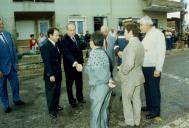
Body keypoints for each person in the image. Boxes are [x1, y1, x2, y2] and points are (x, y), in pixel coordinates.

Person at [115, 23, 145, 127]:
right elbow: (137, 59)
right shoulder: (139, 43)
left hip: (130, 78)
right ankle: (137, 121)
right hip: (138, 76)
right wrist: (125, 54)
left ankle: (129, 121)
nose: (124, 34)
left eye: (125, 32)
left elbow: (130, 63)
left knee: (126, 100)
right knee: (136, 99)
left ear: (131, 32)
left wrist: (123, 72)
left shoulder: (131, 45)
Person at [85, 31, 114, 128]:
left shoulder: (94, 53)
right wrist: (109, 79)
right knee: (104, 111)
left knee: (96, 114)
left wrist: (82, 68)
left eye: (90, 40)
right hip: (106, 86)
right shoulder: (103, 52)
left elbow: (95, 72)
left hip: (99, 87)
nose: (89, 42)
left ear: (93, 42)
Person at [139, 16, 166, 119]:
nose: (140, 27)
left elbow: (161, 52)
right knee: (147, 88)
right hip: (145, 66)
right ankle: (149, 106)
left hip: (153, 67)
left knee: (154, 89)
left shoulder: (158, 34)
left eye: (141, 25)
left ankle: (155, 110)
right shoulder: (147, 34)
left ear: (147, 24)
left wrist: (158, 69)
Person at [0, 18, 25, 113]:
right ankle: (6, 105)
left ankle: (16, 99)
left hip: (12, 66)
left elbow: (13, 50)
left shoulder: (7, 34)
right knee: (2, 88)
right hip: (1, 69)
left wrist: (16, 63)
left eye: (2, 23)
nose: (1, 25)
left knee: (15, 84)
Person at [60, 23, 85, 108]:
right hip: (70, 67)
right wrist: (75, 63)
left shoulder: (77, 37)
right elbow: (67, 53)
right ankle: (72, 101)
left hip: (79, 66)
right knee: (69, 85)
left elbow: (79, 50)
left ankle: (80, 98)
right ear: (67, 30)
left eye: (74, 30)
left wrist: (81, 62)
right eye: (70, 30)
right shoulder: (64, 40)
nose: (72, 32)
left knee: (79, 83)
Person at [40, 27, 63, 118]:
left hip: (58, 73)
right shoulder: (45, 46)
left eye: (58, 35)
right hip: (51, 74)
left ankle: (56, 106)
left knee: (57, 91)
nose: (58, 37)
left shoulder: (56, 44)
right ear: (50, 35)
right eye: (56, 35)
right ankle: (51, 110)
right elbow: (46, 62)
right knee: (51, 93)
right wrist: (51, 74)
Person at [101, 25, 116, 96]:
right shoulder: (98, 39)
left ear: (108, 31)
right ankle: (104, 91)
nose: (104, 33)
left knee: (111, 76)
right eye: (102, 32)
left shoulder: (113, 39)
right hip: (102, 63)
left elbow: (115, 51)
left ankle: (111, 90)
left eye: (106, 32)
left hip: (111, 63)